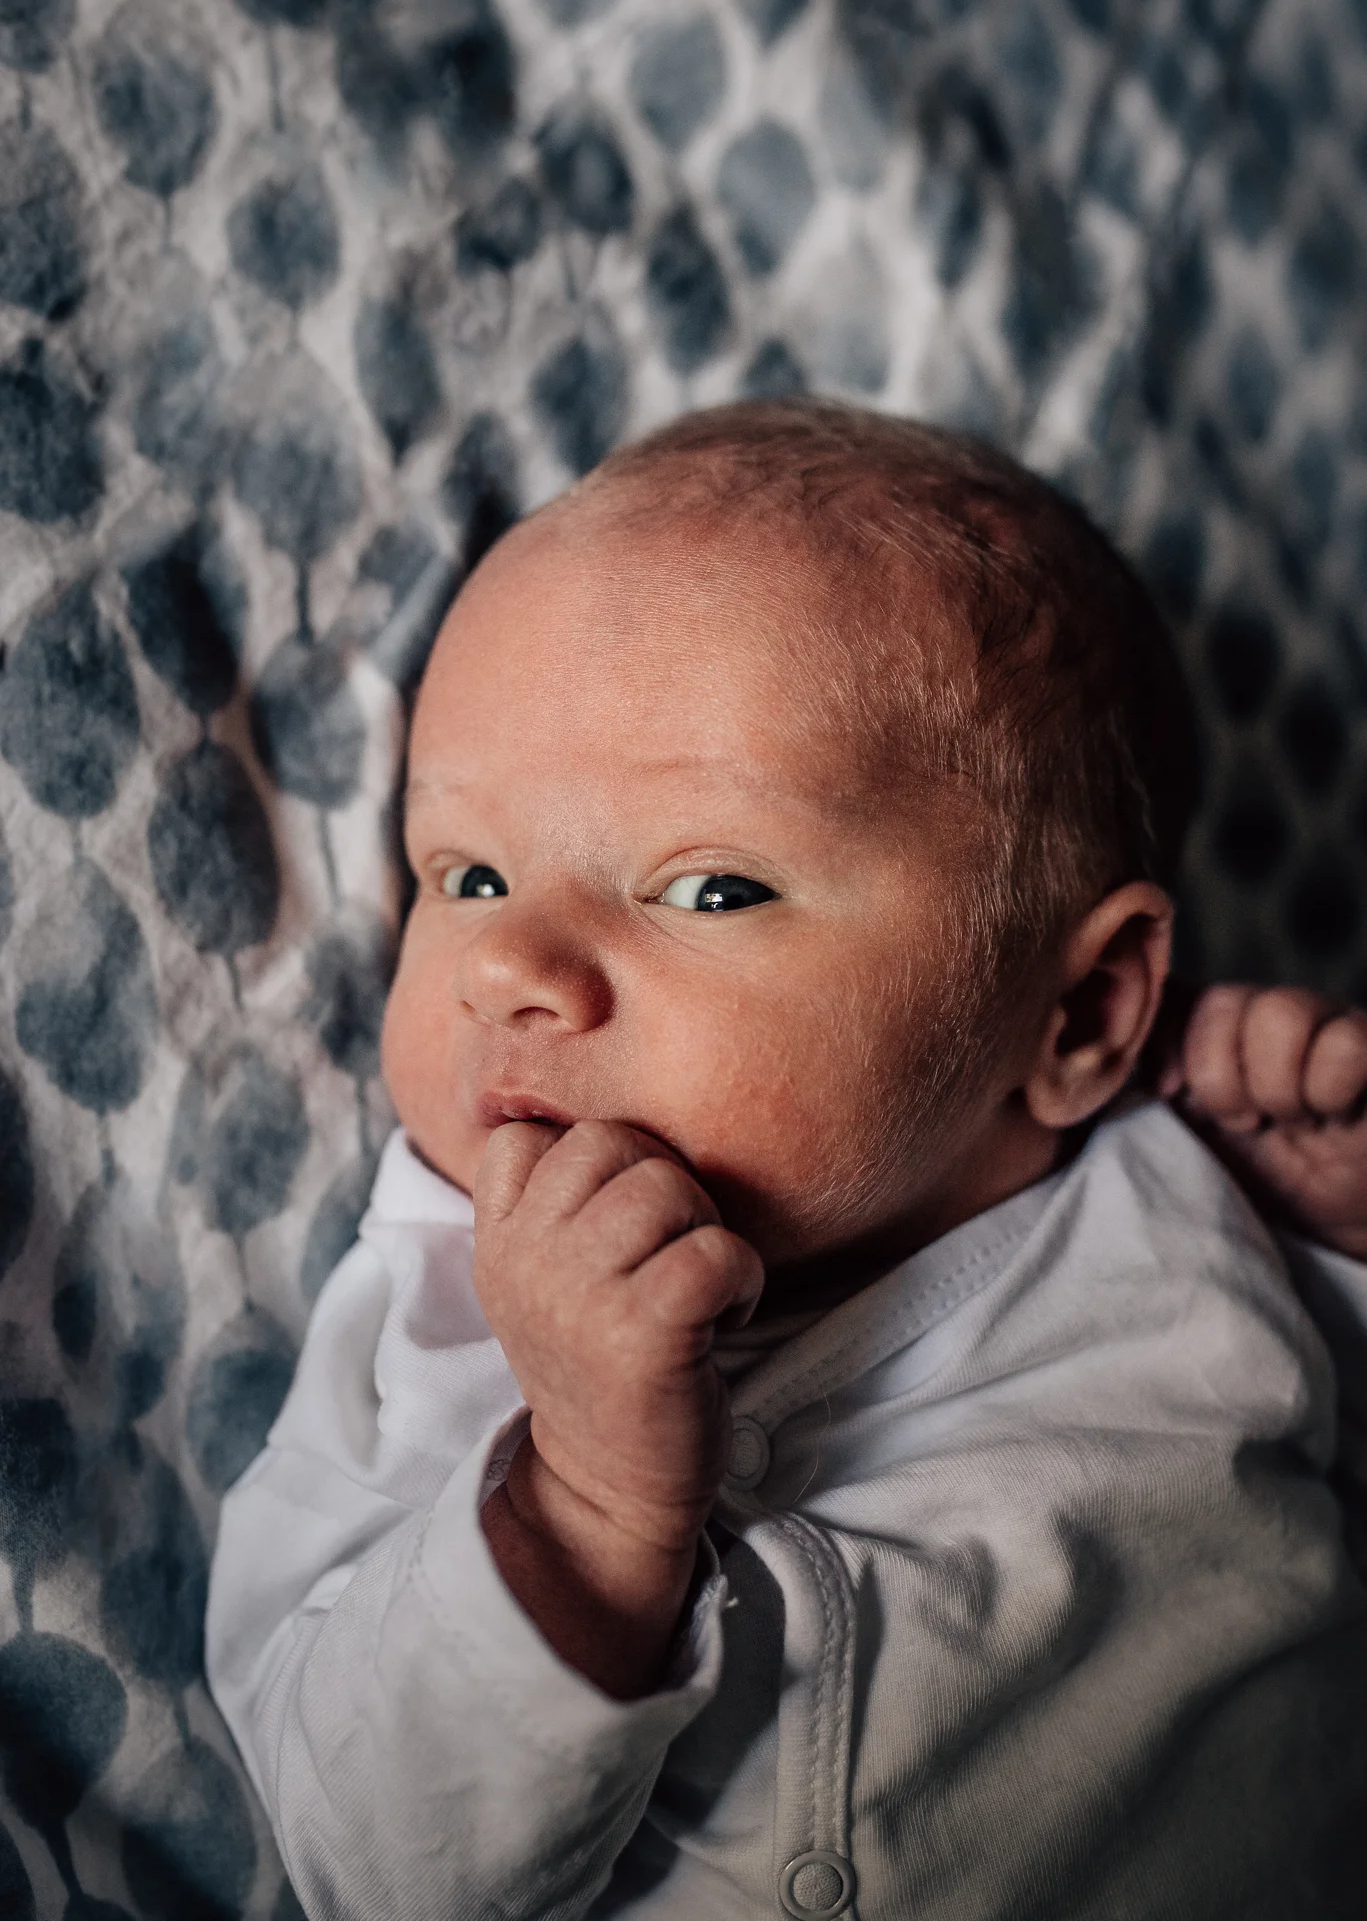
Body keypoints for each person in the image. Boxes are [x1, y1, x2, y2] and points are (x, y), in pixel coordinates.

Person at [207, 402, 1367, 1920]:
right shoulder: (439, 1316)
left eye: (707, 885)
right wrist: (577, 1512)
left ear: (1076, 1009)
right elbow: (369, 1861)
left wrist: (1333, 1247)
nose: (516, 966)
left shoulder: (1194, 1218)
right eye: (469, 874)